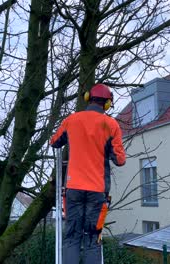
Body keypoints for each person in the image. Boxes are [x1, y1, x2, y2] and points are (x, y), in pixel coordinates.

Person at [50, 83, 126, 264]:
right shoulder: (111, 124)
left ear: (87, 98)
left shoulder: (71, 120)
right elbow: (120, 160)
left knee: (72, 237)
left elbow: (54, 142)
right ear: (107, 104)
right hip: (97, 191)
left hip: (73, 189)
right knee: (92, 239)